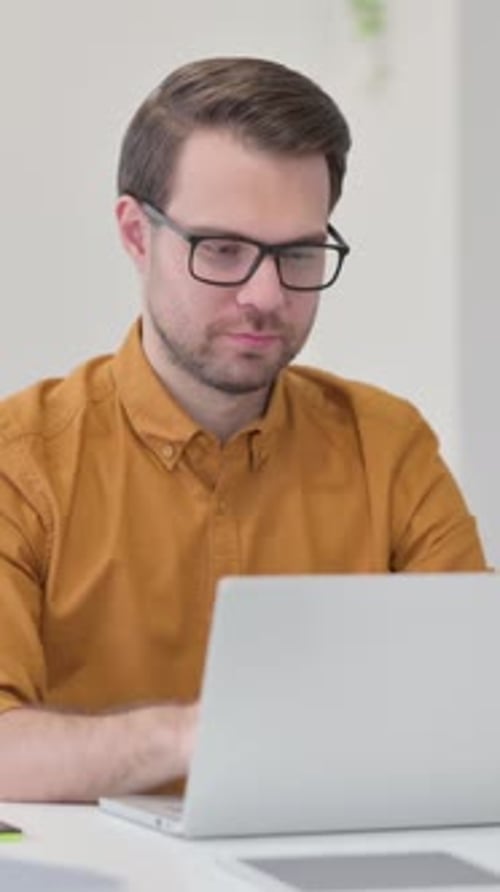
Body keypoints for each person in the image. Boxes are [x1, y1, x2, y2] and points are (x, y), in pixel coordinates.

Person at [0, 56, 487, 803]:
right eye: (222, 250)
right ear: (137, 234)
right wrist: (198, 733)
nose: (265, 295)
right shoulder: (21, 462)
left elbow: (475, 705)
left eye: (298, 254)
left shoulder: (389, 448)